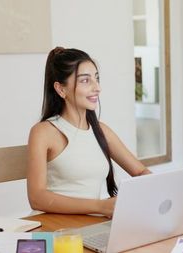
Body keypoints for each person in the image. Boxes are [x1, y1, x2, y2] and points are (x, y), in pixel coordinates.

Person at [27, 47, 150, 217]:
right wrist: (100, 206)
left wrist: (159, 191)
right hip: (54, 228)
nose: (97, 87)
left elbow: (140, 171)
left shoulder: (101, 131)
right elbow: (37, 198)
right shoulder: (43, 132)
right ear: (61, 89)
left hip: (89, 225)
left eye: (96, 79)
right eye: (85, 81)